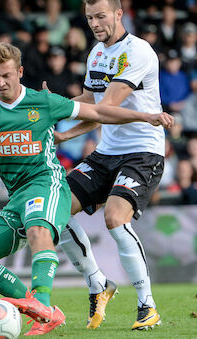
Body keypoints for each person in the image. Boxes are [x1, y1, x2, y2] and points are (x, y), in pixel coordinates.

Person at [0, 41, 172, 336]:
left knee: (41, 230)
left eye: (6, 76)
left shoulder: (43, 102)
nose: (0, 83)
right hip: (17, 197)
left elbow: (100, 113)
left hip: (47, 183)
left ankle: (45, 305)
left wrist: (147, 116)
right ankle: (34, 302)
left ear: (20, 72)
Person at [52, 0, 166, 331]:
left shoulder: (139, 51)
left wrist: (51, 108)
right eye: (89, 17)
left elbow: (107, 106)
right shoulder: (96, 54)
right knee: (55, 211)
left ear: (119, 14)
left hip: (143, 152)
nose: (95, 23)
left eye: (101, 16)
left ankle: (147, 305)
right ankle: (98, 284)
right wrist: (59, 124)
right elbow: (90, 104)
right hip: (107, 152)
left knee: (115, 217)